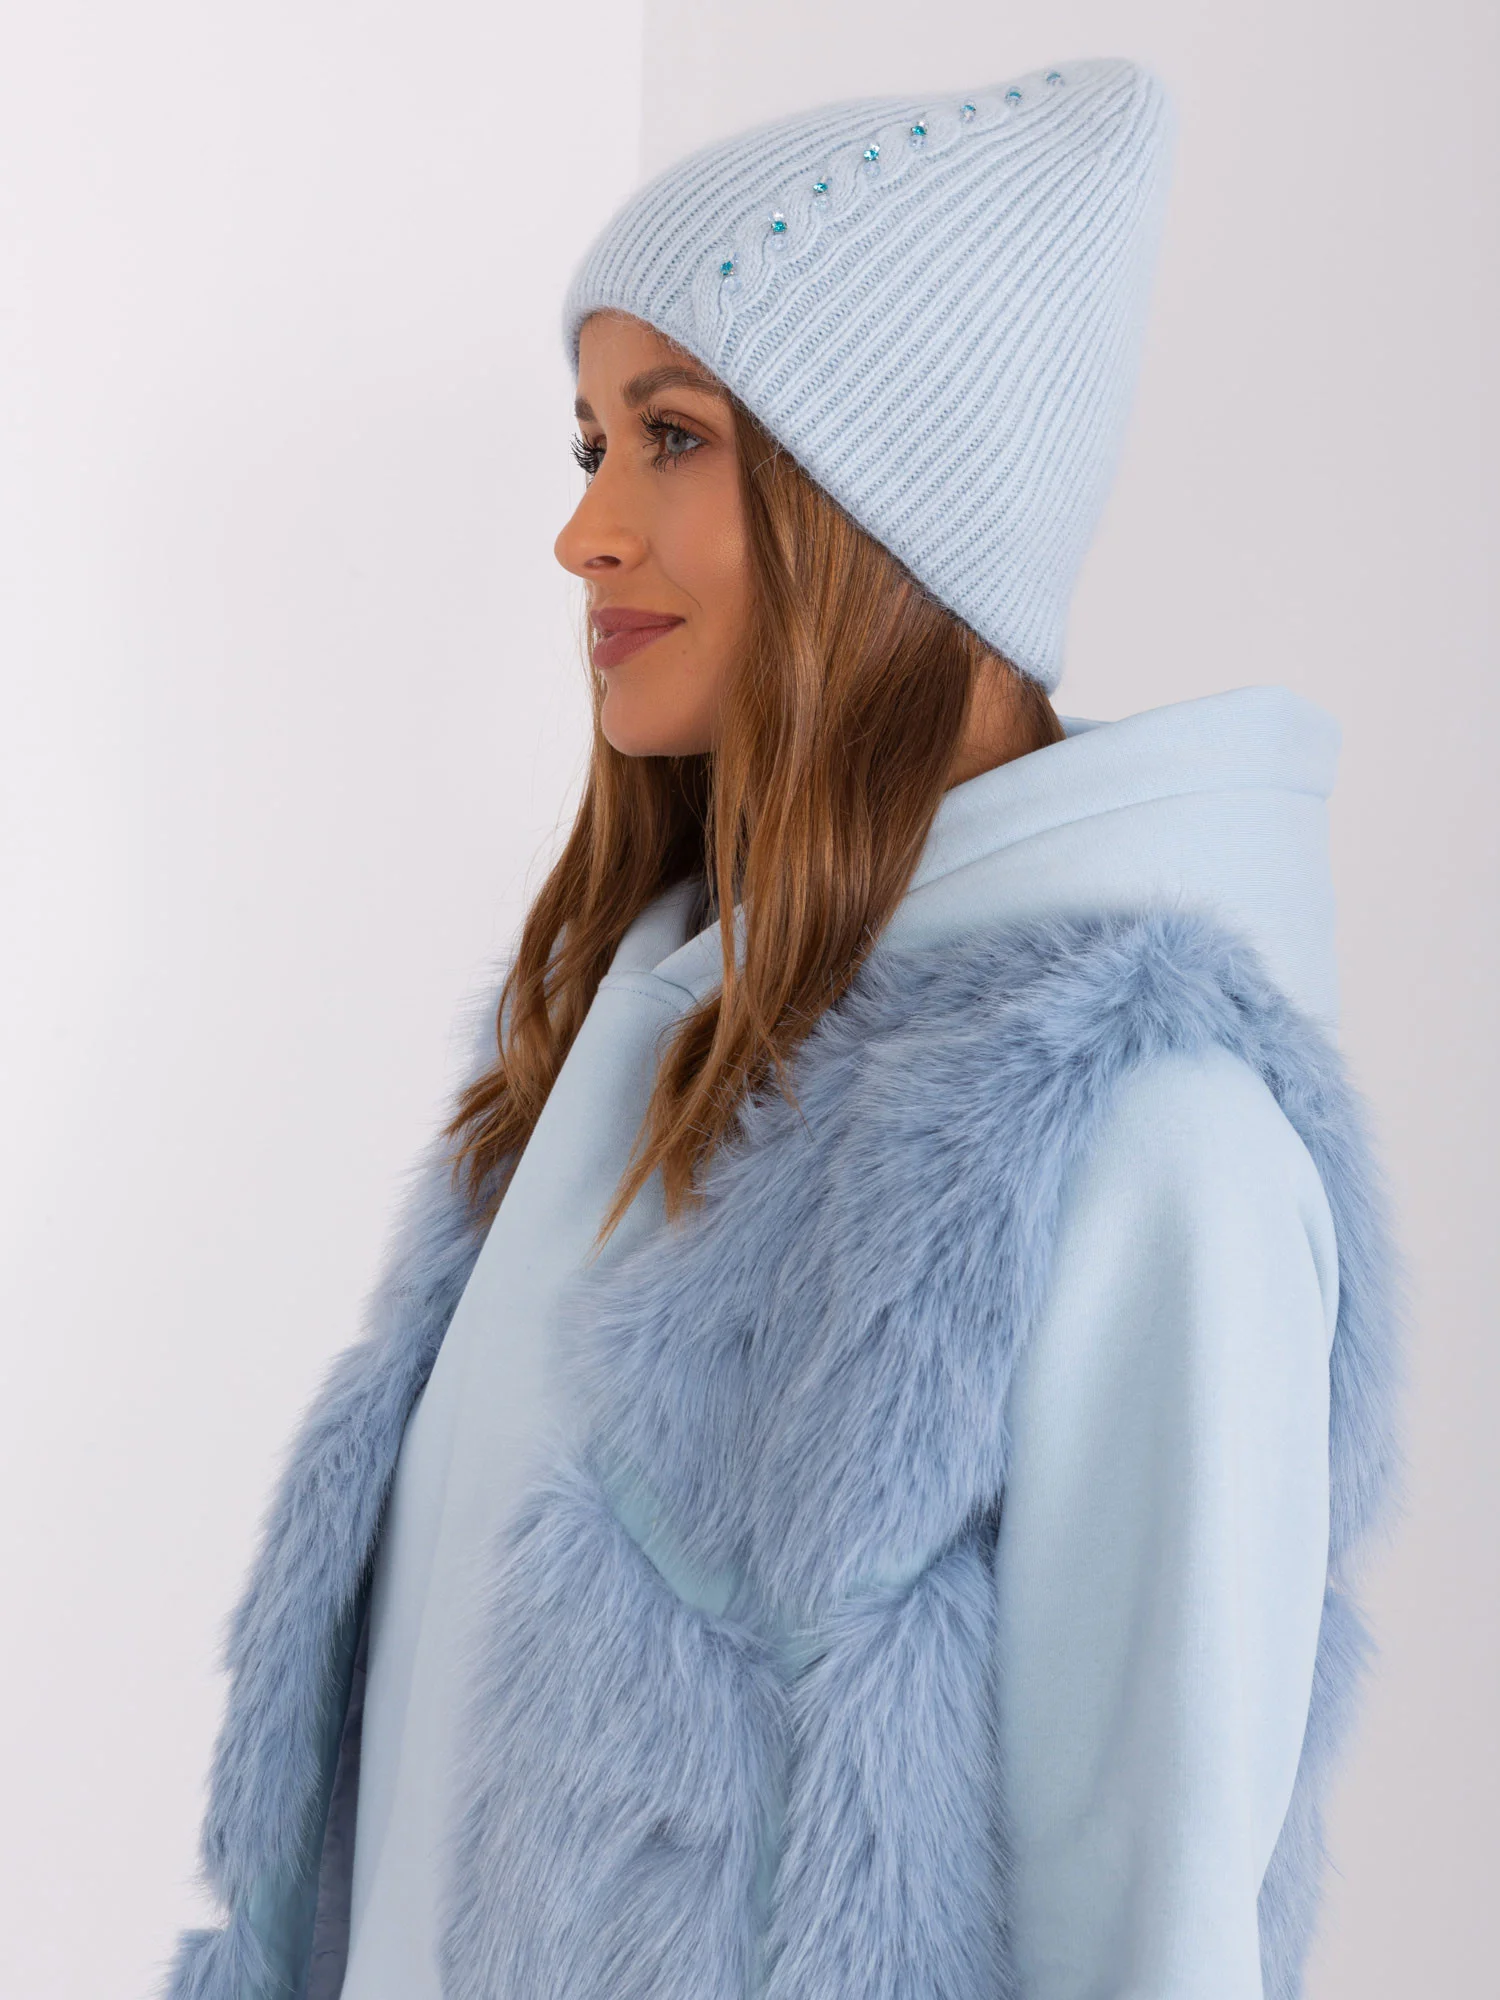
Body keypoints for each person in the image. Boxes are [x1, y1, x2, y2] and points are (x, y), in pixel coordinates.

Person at [165, 56, 1404, 2000]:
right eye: (591, 442)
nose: (586, 532)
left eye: (673, 436)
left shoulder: (1141, 1134)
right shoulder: (639, 1044)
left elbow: (1148, 1928)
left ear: (890, 501)